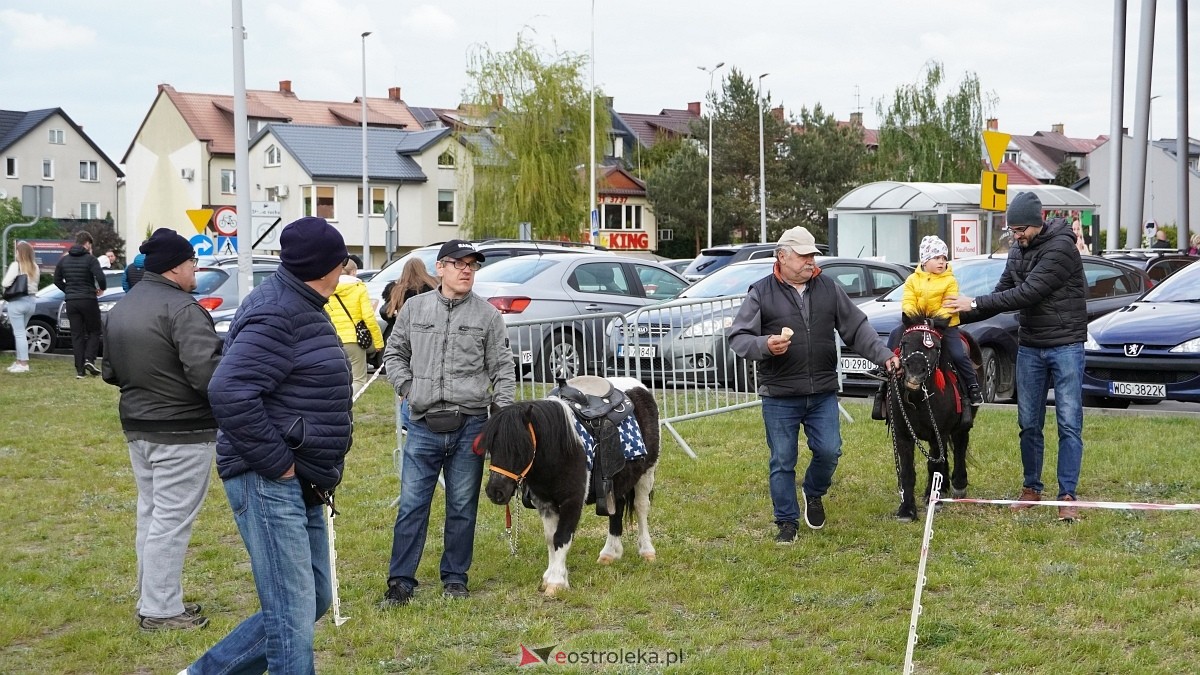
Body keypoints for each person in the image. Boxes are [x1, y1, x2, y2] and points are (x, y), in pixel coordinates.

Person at [185, 217, 353, 674]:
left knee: (311, 598)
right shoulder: (279, 310)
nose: (345, 271)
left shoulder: (301, 303)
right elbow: (229, 390)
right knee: (292, 614)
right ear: (325, 267)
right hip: (269, 479)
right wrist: (279, 465)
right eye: (342, 263)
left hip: (303, 480)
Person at [728, 226, 900, 543]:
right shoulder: (761, 292)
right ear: (782, 256)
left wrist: (884, 355)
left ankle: (813, 491)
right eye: (804, 255)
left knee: (830, 451)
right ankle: (786, 523)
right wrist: (766, 345)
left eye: (812, 256)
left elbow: (857, 328)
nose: (811, 261)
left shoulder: (827, 288)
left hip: (821, 391)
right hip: (779, 394)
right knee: (782, 460)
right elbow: (739, 338)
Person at [380, 239, 515, 606]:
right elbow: (394, 354)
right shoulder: (414, 309)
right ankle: (401, 582)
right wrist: (408, 388)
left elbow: (502, 368)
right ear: (440, 268)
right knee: (412, 505)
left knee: (461, 506)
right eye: (458, 263)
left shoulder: (487, 315)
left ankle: (455, 578)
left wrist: (501, 416)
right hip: (423, 424)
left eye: (472, 264)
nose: (467, 269)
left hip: (470, 425)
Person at [101, 228, 222, 631]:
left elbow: (109, 371)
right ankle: (160, 610)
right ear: (175, 267)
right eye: (192, 262)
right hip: (182, 430)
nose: (196, 268)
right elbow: (208, 375)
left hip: (138, 426)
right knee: (170, 521)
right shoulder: (183, 309)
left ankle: (154, 597)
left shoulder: (123, 306)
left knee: (151, 517)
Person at [944, 191, 1087, 522]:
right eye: (1013, 230)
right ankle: (1031, 489)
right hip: (1031, 345)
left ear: (1037, 223)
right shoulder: (1018, 251)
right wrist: (952, 316)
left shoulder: (1061, 248)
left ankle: (1067, 495)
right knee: (1028, 422)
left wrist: (974, 303)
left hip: (1066, 345)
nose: (1016, 235)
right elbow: (1001, 292)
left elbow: (1028, 293)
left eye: (1021, 229)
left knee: (1068, 422)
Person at [870, 235, 983, 421]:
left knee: (957, 354)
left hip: (945, 326)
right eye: (937, 258)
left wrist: (934, 321)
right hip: (916, 324)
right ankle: (884, 378)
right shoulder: (913, 280)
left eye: (944, 258)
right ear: (925, 260)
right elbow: (908, 302)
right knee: (894, 336)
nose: (942, 262)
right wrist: (917, 320)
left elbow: (949, 304)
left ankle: (971, 388)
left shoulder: (950, 280)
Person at [324, 257, 384, 396]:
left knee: (337, 378)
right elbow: (368, 317)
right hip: (353, 339)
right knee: (358, 379)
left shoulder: (328, 288)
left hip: (332, 339)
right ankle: (347, 404)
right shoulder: (358, 288)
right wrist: (378, 341)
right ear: (354, 272)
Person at [54, 230, 106, 378]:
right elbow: (101, 277)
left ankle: (80, 371)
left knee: (76, 334)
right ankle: (89, 359)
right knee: (94, 331)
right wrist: (100, 289)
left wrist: (68, 290)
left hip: (71, 302)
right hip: (88, 299)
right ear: (87, 243)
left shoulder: (64, 260)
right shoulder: (90, 260)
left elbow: (56, 280)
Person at [380, 258, 437, 343]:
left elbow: (385, 312)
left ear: (405, 270)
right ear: (423, 269)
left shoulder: (396, 289)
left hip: (404, 334)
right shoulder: (434, 285)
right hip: (429, 334)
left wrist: (395, 321)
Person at [3, 240, 39, 373]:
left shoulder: (16, 265)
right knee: (21, 332)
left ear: (20, 253)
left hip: (17, 302)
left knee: (19, 333)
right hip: (31, 302)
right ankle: (19, 361)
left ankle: (23, 363)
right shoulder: (35, 266)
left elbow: (6, 283)